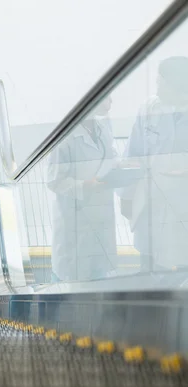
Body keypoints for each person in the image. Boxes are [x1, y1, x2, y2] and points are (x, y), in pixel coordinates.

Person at [120, 56, 188, 271]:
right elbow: (133, 153)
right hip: (152, 201)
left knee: (182, 263)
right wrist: (126, 196)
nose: (156, 85)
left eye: (160, 81)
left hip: (183, 201)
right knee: (148, 263)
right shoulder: (150, 107)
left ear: (175, 84)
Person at [47, 96, 119, 282]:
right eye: (106, 97)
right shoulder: (65, 134)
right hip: (75, 217)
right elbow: (54, 180)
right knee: (74, 277)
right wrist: (83, 186)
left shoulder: (103, 126)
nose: (110, 102)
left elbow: (111, 156)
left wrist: (123, 168)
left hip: (101, 214)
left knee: (99, 274)